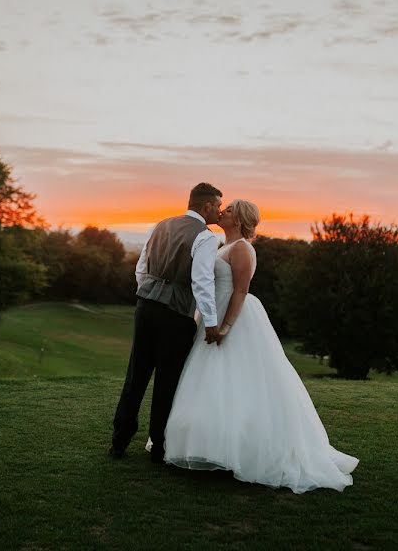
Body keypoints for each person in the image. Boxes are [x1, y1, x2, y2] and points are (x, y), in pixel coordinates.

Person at [150, 199, 359, 493]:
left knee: (237, 379)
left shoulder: (243, 249)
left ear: (240, 219)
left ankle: (237, 449)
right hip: (210, 316)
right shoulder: (221, 246)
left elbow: (241, 290)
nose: (223, 211)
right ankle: (207, 444)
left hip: (234, 318)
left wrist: (225, 326)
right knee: (208, 381)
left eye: (230, 209)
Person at [109, 183, 223, 463]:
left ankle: (119, 442)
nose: (220, 211)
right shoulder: (206, 237)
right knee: (167, 381)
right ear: (206, 206)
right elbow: (202, 281)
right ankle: (158, 448)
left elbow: (141, 268)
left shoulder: (161, 224)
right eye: (218, 206)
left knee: (135, 376)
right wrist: (210, 321)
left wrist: (151, 293)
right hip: (176, 315)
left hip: (145, 307)